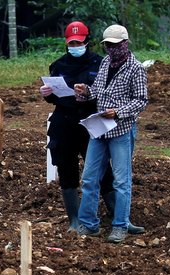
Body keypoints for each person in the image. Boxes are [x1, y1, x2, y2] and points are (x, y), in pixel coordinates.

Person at [73, 24, 149, 243]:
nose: (111, 49)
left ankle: (120, 226)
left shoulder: (135, 68)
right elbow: (97, 91)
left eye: (115, 45)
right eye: (108, 45)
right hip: (99, 130)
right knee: (89, 178)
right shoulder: (106, 62)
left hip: (121, 130)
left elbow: (141, 100)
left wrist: (118, 112)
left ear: (125, 44)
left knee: (121, 181)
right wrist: (85, 91)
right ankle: (88, 224)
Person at [39, 21, 114, 232]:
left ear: (87, 42)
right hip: (64, 122)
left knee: (101, 168)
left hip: (90, 122)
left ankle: (115, 213)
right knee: (66, 168)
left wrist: (88, 94)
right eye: (71, 43)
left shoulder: (100, 64)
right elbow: (54, 98)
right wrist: (48, 94)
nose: (75, 46)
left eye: (78, 42)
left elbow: (107, 94)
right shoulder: (58, 65)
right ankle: (74, 218)